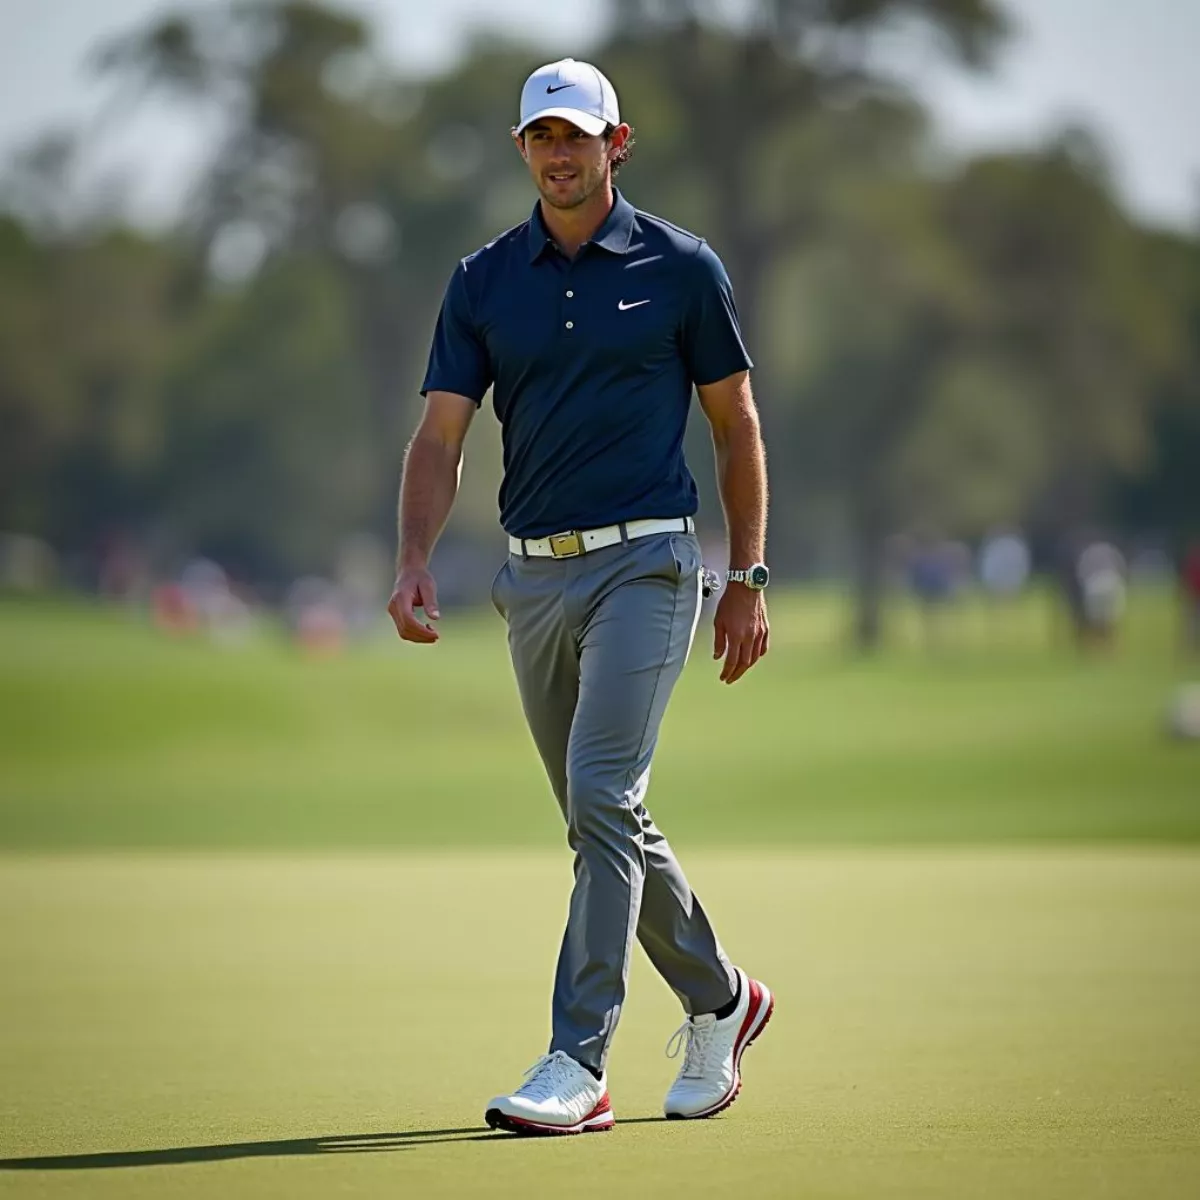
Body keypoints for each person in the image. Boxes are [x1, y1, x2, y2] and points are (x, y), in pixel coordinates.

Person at [388, 57, 774, 1136]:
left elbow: (735, 425)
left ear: (619, 144)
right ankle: (722, 998)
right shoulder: (482, 280)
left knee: (602, 795)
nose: (561, 155)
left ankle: (577, 1059)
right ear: (523, 151)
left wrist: (745, 574)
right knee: (602, 814)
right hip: (532, 577)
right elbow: (441, 434)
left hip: (648, 563)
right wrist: (414, 559)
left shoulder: (682, 267)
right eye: (542, 139)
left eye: (579, 137)